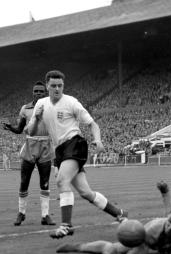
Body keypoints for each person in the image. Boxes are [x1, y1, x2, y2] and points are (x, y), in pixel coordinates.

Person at [26, 69, 127, 238]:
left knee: (61, 180)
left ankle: (66, 225)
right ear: (47, 86)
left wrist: (98, 140)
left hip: (75, 144)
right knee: (86, 193)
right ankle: (120, 213)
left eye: (60, 85)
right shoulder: (41, 104)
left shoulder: (71, 102)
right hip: (60, 151)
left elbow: (92, 124)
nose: (57, 89)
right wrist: (36, 118)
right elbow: (31, 131)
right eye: (53, 85)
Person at [56, 181, 171, 254]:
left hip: (166, 244)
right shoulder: (151, 232)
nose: (170, 227)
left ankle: (125, 219)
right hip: (152, 239)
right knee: (113, 250)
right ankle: (79, 247)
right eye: (170, 222)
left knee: (169, 228)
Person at [3, 81, 56, 226]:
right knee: (24, 181)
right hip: (30, 145)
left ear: (45, 93)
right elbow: (20, 129)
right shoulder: (25, 108)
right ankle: (21, 213)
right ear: (33, 93)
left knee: (44, 183)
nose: (38, 93)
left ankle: (45, 215)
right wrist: (10, 128)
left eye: (41, 91)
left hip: (45, 146)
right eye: (36, 91)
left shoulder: (52, 107)